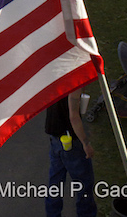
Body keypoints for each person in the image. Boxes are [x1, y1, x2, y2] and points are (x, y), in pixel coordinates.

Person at [45, 86, 96, 217]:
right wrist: (86, 143)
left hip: (55, 136)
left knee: (55, 183)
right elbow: (73, 116)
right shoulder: (74, 83)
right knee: (84, 184)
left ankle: (52, 214)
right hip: (71, 141)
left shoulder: (55, 76)